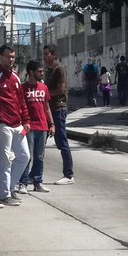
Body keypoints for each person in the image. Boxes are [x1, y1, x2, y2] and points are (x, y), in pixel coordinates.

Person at [0, 45, 31, 205]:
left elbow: (21, 101)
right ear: (0, 57)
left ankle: (8, 187)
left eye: (13, 57)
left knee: (24, 156)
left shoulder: (15, 77)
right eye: (8, 56)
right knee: (5, 159)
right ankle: (4, 194)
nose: (11, 59)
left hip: (18, 125)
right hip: (2, 124)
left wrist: (26, 120)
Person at [43, 44, 74, 185]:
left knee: (62, 141)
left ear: (54, 55)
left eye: (46, 54)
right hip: (48, 109)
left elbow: (61, 90)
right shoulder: (47, 70)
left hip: (58, 108)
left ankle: (68, 175)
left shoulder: (59, 69)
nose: (44, 57)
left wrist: (44, 95)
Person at [21, 60, 54, 193]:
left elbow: (47, 108)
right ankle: (22, 183)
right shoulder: (22, 88)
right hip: (28, 127)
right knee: (26, 156)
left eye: (42, 71)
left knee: (39, 156)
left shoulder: (44, 88)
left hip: (42, 127)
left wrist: (52, 124)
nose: (42, 73)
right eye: (39, 71)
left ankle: (37, 182)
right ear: (31, 72)